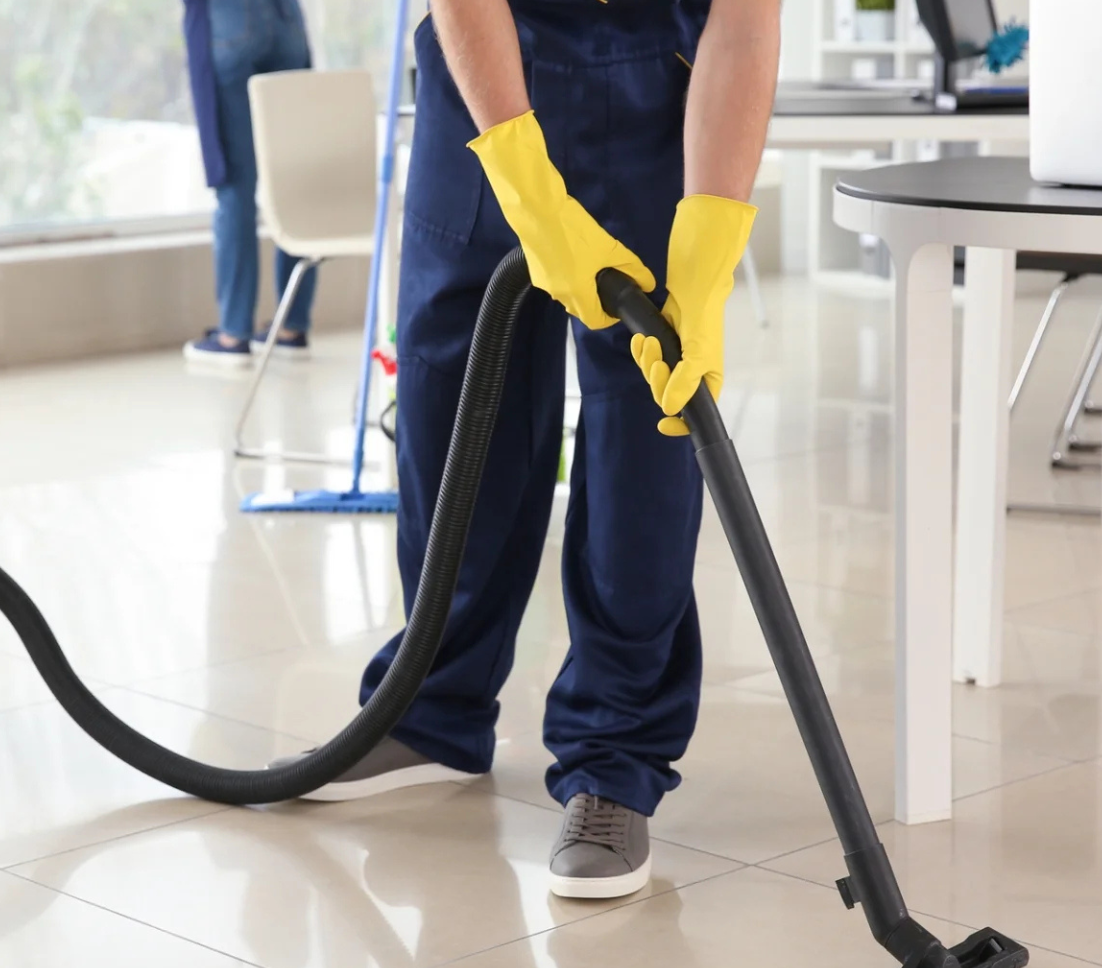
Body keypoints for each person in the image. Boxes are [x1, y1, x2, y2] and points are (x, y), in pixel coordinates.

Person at [273, 0, 778, 900]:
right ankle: (430, 707)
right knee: (454, 385)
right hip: (483, 74)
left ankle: (614, 759)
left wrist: (706, 250)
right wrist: (524, 179)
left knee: (644, 419)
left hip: (655, 70)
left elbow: (742, 23)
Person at [181, 0, 321, 366]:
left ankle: (233, 334)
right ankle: (291, 328)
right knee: (295, 178)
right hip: (285, 20)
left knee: (235, 190)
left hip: (229, 20)